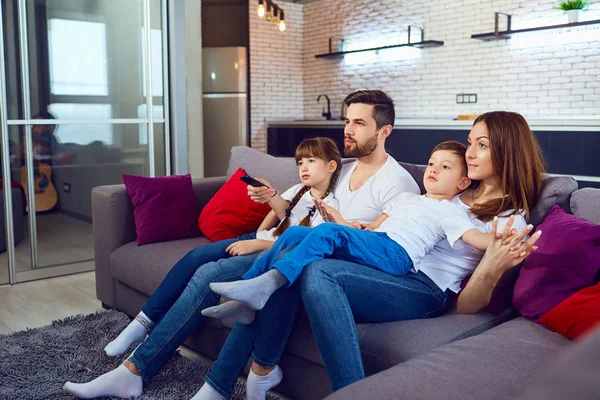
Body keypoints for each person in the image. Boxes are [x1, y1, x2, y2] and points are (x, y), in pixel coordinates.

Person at [63, 89, 421, 399]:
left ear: (384, 130)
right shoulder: (340, 167)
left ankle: (142, 373)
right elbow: (304, 207)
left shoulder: (398, 183)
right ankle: (138, 371)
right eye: (347, 120)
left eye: (359, 123)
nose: (348, 129)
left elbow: (381, 249)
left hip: (324, 267)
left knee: (212, 273)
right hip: (292, 250)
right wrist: (273, 203)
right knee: (208, 269)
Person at [192, 111, 545, 399]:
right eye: (470, 143)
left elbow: (468, 306)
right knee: (300, 247)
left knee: (315, 271)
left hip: (424, 290)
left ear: (507, 151)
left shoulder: (510, 220)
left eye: (481, 145)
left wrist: (495, 262)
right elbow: (396, 228)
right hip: (388, 266)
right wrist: (358, 230)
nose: (469, 153)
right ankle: (224, 380)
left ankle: (341, 390)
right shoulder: (445, 192)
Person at [63, 136, 343, 398]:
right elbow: (280, 214)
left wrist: (259, 245)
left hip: (268, 254)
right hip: (258, 242)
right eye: (300, 162)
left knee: (207, 274)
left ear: (331, 166)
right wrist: (262, 222)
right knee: (197, 256)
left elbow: (300, 246)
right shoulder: (299, 191)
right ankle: (142, 323)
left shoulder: (332, 208)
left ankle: (136, 368)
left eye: (311, 161)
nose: (303, 167)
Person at [206, 141, 499, 317]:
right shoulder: (408, 198)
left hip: (398, 257)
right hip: (379, 242)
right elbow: (374, 227)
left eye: (446, 168)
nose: (433, 169)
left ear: (462, 183)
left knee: (326, 234)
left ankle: (266, 285)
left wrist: (500, 239)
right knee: (296, 234)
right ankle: (246, 292)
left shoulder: (450, 210)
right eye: (432, 163)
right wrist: (348, 226)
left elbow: (476, 238)